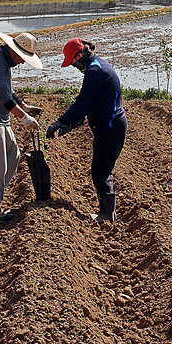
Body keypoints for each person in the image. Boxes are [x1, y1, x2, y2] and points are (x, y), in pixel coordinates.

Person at [47, 38, 126, 224]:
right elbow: (91, 102)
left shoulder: (95, 72)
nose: (73, 65)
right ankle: (105, 212)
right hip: (109, 126)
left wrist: (59, 122)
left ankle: (107, 215)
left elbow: (82, 103)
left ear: (80, 55)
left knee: (100, 171)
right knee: (101, 169)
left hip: (110, 127)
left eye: (73, 62)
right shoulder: (97, 66)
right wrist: (72, 123)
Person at [0, 32, 43, 222]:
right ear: (14, 51)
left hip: (1, 122)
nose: (21, 62)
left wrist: (24, 106)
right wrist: (25, 118)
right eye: (22, 58)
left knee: (14, 156)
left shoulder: (3, 62)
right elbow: (2, 95)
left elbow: (9, 89)